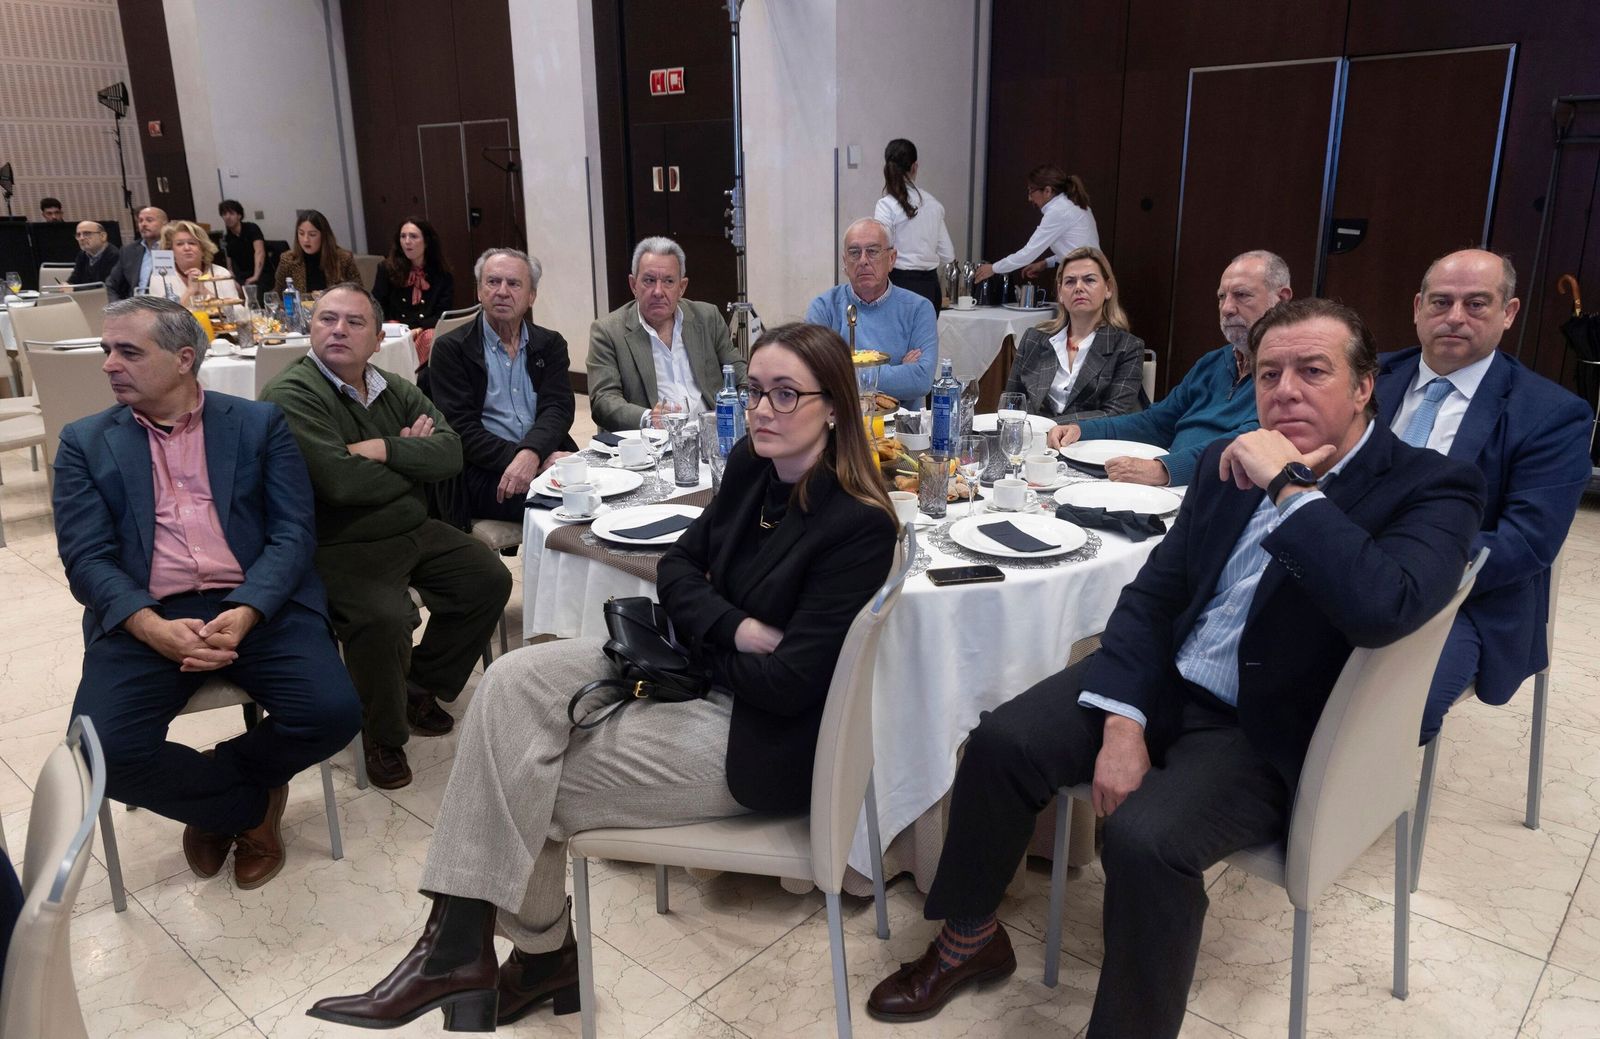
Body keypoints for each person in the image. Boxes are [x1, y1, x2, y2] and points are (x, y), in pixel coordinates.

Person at [866, 298, 1485, 1037]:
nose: (1284, 390)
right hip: (1166, 679)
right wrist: (1124, 719)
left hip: (1264, 721)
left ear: (1363, 387)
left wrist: (1290, 486)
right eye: (1270, 373)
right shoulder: (1234, 463)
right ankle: (971, 939)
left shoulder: (1429, 486)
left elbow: (1385, 606)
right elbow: (1154, 595)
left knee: (1146, 838)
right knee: (1001, 742)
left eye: (1313, 371)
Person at [305, 321, 899, 1031]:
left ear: (834, 406)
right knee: (508, 684)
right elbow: (677, 567)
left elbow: (787, 686)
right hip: (687, 664)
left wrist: (706, 624)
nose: (763, 410)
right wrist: (736, 627)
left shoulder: (858, 525)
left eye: (785, 394)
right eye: (755, 390)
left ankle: (509, 953)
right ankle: (487, 954)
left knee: (527, 771)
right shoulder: (750, 463)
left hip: (753, 735)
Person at [52, 296, 361, 890]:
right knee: (99, 753)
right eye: (106, 350)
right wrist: (149, 625)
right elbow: (86, 558)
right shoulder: (84, 443)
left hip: (255, 602)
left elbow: (294, 533)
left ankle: (223, 782)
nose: (109, 364)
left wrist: (246, 610)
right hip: (148, 613)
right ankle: (243, 808)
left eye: (128, 351)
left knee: (333, 713)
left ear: (183, 359)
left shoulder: (257, 424)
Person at [261, 282, 512, 790]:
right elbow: (339, 483)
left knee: (487, 578)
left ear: (378, 339)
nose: (338, 329)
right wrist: (409, 464)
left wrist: (379, 448)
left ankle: (419, 684)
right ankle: (382, 733)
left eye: (354, 322)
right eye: (327, 319)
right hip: (339, 543)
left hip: (411, 527)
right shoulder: (292, 395)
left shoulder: (392, 387)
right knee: (385, 617)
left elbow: (450, 453)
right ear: (310, 328)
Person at [1377, 249, 1593, 743]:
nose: (1454, 317)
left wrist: (1403, 564)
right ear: (1417, 308)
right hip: (1348, 567)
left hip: (1466, 597)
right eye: (1441, 302)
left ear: (1508, 313)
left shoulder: (1552, 414)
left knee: (1386, 709)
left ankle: (1333, 810)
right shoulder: (1369, 378)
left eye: (1476, 304)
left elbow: (1527, 542)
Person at [1048, 250, 1292, 486]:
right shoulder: (1212, 363)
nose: (1227, 308)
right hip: (1169, 483)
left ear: (1281, 299)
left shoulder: (1288, 375)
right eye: (1221, 297)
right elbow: (1155, 422)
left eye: (1242, 295)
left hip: (1218, 490)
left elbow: (1248, 444)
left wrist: (1164, 469)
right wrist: (1081, 429)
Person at [426, 248, 578, 525]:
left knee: (605, 490)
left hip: (545, 456)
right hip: (483, 470)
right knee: (569, 509)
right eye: (493, 282)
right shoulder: (452, 350)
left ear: (531, 296)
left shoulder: (550, 344)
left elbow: (557, 409)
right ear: (479, 291)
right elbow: (461, 428)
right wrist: (526, 459)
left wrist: (532, 454)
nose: (502, 291)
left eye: (514, 283)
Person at [585, 235, 745, 432]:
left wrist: (750, 396)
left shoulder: (707, 317)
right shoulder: (608, 331)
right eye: (649, 280)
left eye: (668, 281)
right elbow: (603, 401)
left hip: (712, 433)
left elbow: (737, 369)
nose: (658, 291)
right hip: (652, 442)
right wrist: (650, 418)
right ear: (633, 285)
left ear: (682, 287)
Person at [1006, 246, 1145, 422]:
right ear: (1061, 293)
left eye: (1089, 280)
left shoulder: (1128, 347)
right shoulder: (1033, 339)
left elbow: (1115, 414)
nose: (1078, 287)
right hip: (1032, 443)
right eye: (1070, 281)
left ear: (1108, 288)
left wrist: (1048, 426)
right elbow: (1010, 402)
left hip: (1091, 444)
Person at [806, 218, 937, 403]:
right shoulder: (824, 307)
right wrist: (899, 370)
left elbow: (921, 380)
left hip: (903, 426)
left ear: (891, 259)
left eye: (872, 251)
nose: (863, 261)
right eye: (854, 253)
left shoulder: (918, 309)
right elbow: (815, 376)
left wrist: (845, 371)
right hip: (844, 424)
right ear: (845, 262)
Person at [975, 165, 1099, 285]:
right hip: (1093, 276)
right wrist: (1045, 263)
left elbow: (1028, 253)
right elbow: (1075, 249)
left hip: (1084, 280)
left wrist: (993, 268)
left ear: (1047, 191)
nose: (1030, 198)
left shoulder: (1058, 211)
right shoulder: (1073, 204)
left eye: (1031, 191)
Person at [874, 139, 955, 314]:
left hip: (899, 285)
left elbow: (880, 250)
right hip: (930, 288)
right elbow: (948, 255)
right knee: (925, 341)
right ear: (914, 167)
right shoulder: (934, 205)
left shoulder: (886, 205)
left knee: (895, 341)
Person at [372, 218, 455, 364]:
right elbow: (376, 304)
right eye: (403, 236)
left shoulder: (442, 273)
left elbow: (443, 313)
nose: (407, 241)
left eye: (413, 236)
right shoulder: (386, 268)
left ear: (427, 242)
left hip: (426, 329)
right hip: (395, 331)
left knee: (432, 338)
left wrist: (418, 328)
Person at [147, 221, 242, 316]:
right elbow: (161, 319)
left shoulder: (221, 273)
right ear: (171, 250)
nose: (187, 248)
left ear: (203, 248)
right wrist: (190, 291)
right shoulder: (161, 276)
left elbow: (239, 312)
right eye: (180, 244)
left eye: (192, 243)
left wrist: (204, 291)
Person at [272, 209, 362, 296]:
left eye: (312, 235)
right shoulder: (288, 259)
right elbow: (277, 295)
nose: (305, 239)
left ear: (324, 236)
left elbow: (359, 292)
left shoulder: (343, 258)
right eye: (301, 233)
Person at [105, 205, 168, 301]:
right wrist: (118, 308)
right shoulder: (128, 251)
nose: (143, 224)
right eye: (140, 221)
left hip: (165, 306)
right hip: (135, 308)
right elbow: (111, 284)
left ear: (165, 224)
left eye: (149, 220)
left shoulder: (173, 248)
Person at [217, 200, 265, 287]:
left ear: (239, 215)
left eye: (231, 213)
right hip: (243, 275)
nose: (227, 217)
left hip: (261, 273)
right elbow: (229, 258)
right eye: (224, 214)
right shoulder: (228, 237)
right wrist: (230, 273)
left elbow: (259, 252)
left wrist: (256, 276)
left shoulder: (251, 228)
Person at [68, 220, 120, 285]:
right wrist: (67, 285)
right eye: (78, 235)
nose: (81, 238)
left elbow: (105, 286)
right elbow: (74, 280)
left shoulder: (115, 256)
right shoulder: (82, 255)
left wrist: (74, 289)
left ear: (103, 236)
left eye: (87, 234)